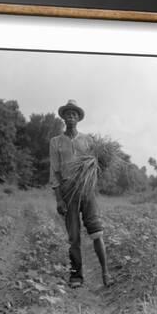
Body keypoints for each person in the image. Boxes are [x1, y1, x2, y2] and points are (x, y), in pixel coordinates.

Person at [49, 100, 111, 288]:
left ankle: (106, 273)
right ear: (63, 117)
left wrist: (97, 173)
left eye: (74, 114)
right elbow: (54, 171)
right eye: (68, 113)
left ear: (78, 118)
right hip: (68, 190)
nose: (71, 117)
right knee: (73, 236)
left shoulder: (88, 140)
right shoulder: (56, 142)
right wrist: (59, 199)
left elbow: (97, 164)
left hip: (87, 189)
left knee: (96, 231)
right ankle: (76, 275)